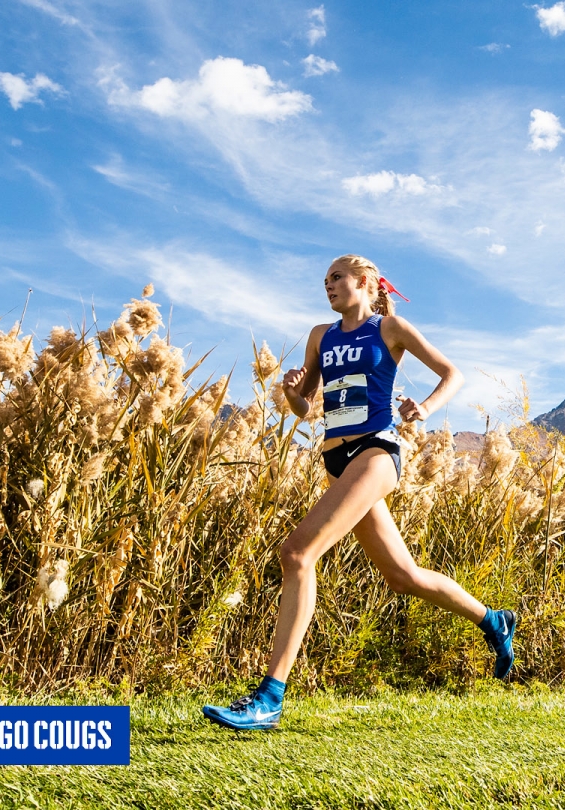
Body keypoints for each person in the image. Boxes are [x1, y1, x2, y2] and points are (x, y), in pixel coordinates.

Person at [202, 255, 519, 731]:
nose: (328, 285)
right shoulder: (320, 336)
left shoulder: (389, 328)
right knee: (402, 575)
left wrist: (425, 407)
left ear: (366, 283)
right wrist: (291, 391)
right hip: (336, 460)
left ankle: (269, 698)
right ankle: (493, 620)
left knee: (297, 554)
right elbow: (303, 405)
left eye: (337, 277)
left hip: (376, 453)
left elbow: (451, 373)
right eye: (325, 279)